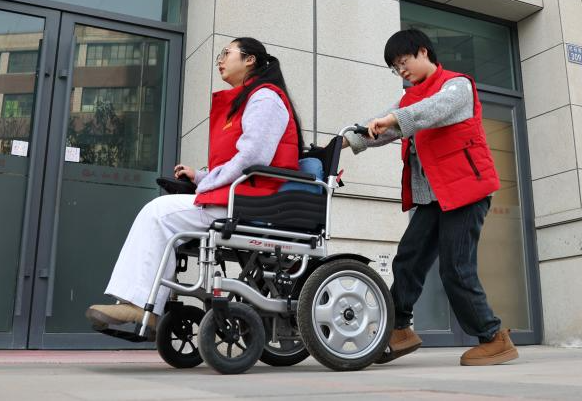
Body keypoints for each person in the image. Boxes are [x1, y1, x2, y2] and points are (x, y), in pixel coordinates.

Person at [86, 37, 303, 334]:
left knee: (158, 213)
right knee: (161, 214)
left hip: (251, 201)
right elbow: (240, 162)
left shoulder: (265, 98)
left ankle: (140, 305)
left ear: (250, 59)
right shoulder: (252, 98)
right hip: (241, 196)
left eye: (226, 53)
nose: (220, 60)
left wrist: (207, 183)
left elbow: (253, 157)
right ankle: (142, 303)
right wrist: (201, 177)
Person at [342, 29, 517, 366]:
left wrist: (394, 119)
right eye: (395, 67)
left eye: (403, 61)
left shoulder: (456, 86)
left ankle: (494, 337)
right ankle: (398, 329)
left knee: (455, 268)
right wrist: (344, 142)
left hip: (465, 192)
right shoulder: (409, 100)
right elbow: (382, 127)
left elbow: (432, 110)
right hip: (434, 197)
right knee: (408, 259)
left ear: (423, 52)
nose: (401, 70)